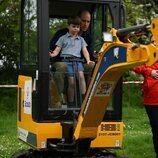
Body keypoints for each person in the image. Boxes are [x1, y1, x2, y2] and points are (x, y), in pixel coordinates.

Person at [49, 10, 95, 105]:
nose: (86, 24)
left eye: (88, 21)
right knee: (62, 67)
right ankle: (60, 97)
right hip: (61, 60)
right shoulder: (62, 35)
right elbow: (52, 48)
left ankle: (88, 99)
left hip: (78, 62)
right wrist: (52, 53)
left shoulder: (87, 37)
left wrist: (93, 56)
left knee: (92, 66)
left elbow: (87, 52)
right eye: (83, 21)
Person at [132, 36, 158, 158]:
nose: (154, 43)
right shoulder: (147, 55)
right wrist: (149, 71)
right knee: (156, 129)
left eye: (156, 41)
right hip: (151, 100)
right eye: (152, 41)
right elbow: (134, 65)